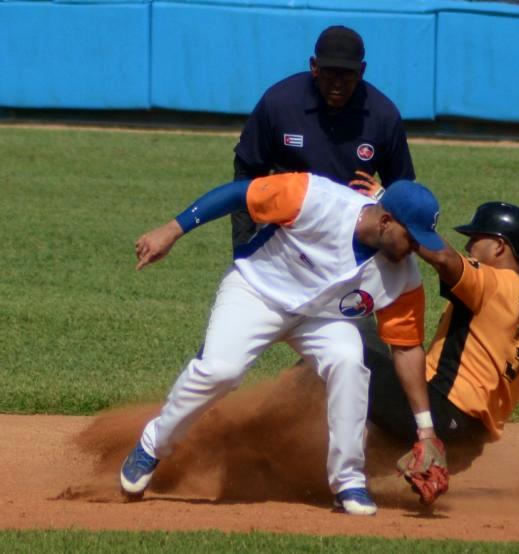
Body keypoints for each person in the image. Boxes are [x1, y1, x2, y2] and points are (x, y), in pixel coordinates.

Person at [119, 173, 447, 515]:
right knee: (221, 370)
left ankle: (349, 480)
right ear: (385, 221)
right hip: (257, 292)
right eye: (412, 238)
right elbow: (239, 194)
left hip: (324, 319)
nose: (417, 249)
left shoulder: (404, 278)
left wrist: (426, 430)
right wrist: (173, 229)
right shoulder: (314, 198)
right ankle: (152, 445)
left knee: (349, 362)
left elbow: (407, 347)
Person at [365, 201, 519, 479]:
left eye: (475, 240)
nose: (468, 248)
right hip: (466, 448)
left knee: (344, 346)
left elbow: (445, 259)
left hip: (435, 414)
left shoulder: (492, 281)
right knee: (357, 456)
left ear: (499, 246)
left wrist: (399, 213)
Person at [230, 25, 415, 248]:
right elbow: (247, 172)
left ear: (362, 71)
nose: (337, 84)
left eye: (347, 75)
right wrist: (243, 244)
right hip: (284, 232)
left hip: (350, 237)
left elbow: (403, 189)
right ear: (314, 67)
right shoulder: (279, 103)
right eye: (330, 73)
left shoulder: (383, 116)